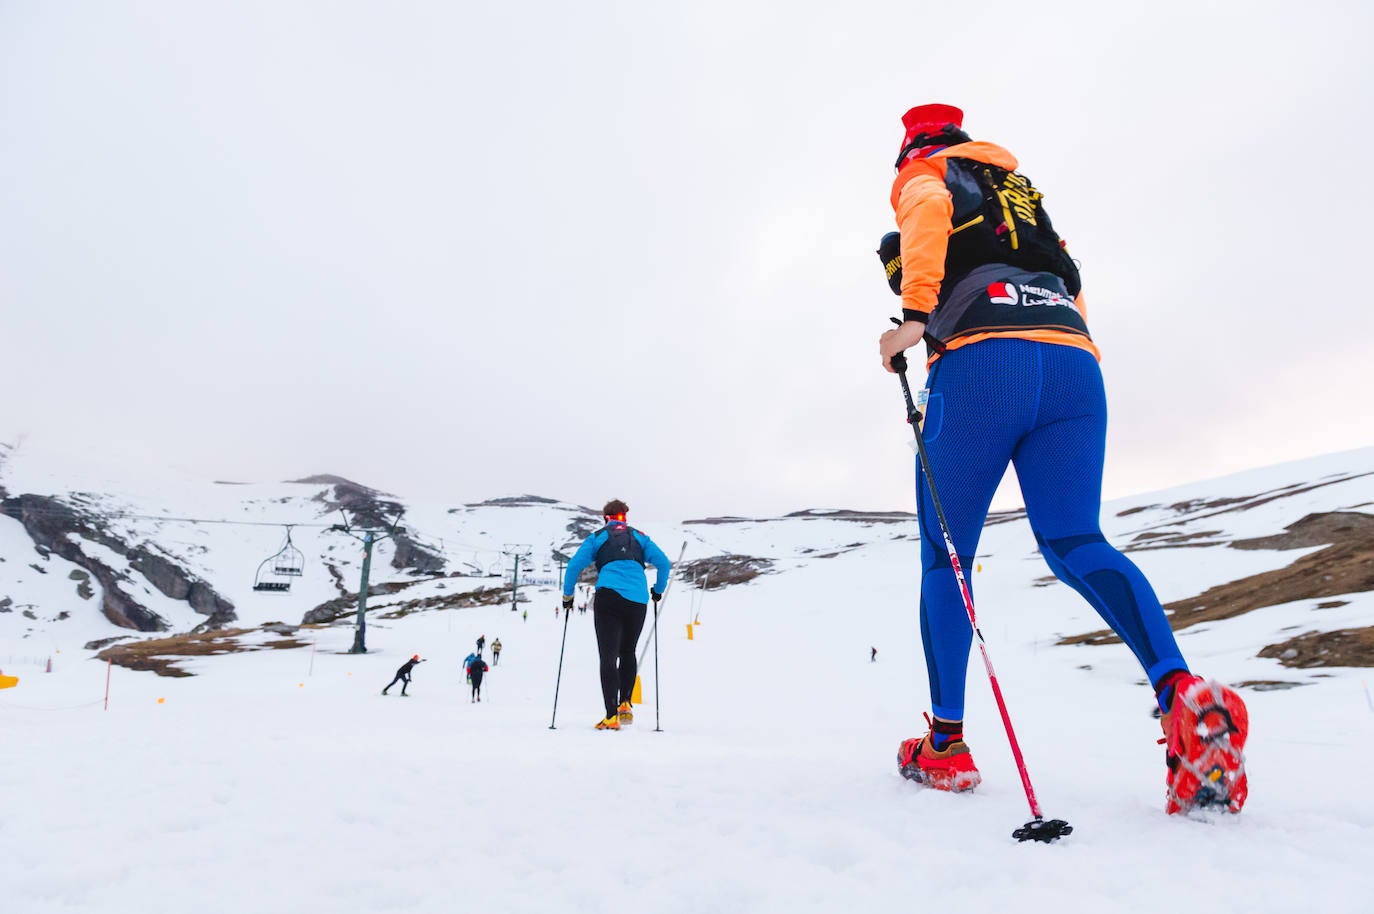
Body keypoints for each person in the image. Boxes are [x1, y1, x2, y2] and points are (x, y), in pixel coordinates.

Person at [877, 104, 1248, 814]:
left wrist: (916, 316)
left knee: (946, 556)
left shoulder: (928, 173)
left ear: (914, 147)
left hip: (984, 362)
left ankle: (946, 746)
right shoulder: (1024, 195)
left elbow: (923, 213)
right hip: (1074, 365)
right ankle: (1180, 693)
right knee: (1077, 539)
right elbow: (1070, 278)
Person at [561, 499, 672, 730]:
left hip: (609, 597)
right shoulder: (640, 537)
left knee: (608, 656)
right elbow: (663, 563)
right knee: (628, 652)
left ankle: (611, 716)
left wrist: (568, 597)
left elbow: (573, 567)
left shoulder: (598, 537)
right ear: (625, 515)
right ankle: (625, 704)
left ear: (606, 517)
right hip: (638, 600)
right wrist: (658, 591)